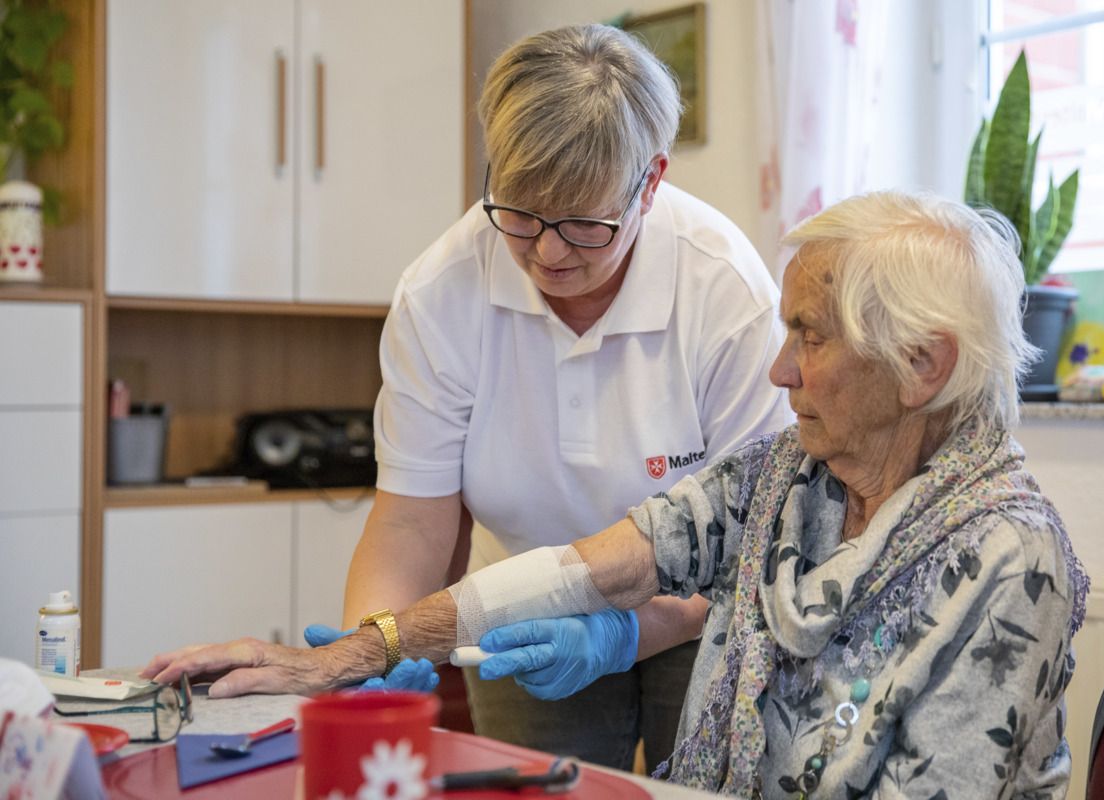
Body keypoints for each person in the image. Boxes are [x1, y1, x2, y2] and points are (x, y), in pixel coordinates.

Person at [145, 190, 1088, 798]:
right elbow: (586, 569)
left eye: (810, 337)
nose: (778, 370)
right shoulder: (785, 478)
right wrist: (353, 654)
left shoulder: (1010, 560)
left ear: (923, 366)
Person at [167, 22, 791, 772]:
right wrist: (375, 646)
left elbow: (754, 545)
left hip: (700, 611)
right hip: (523, 612)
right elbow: (411, 521)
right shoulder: (443, 292)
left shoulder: (725, 292)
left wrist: (620, 633)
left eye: (585, 226)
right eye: (521, 214)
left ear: (650, 183)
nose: (548, 253)